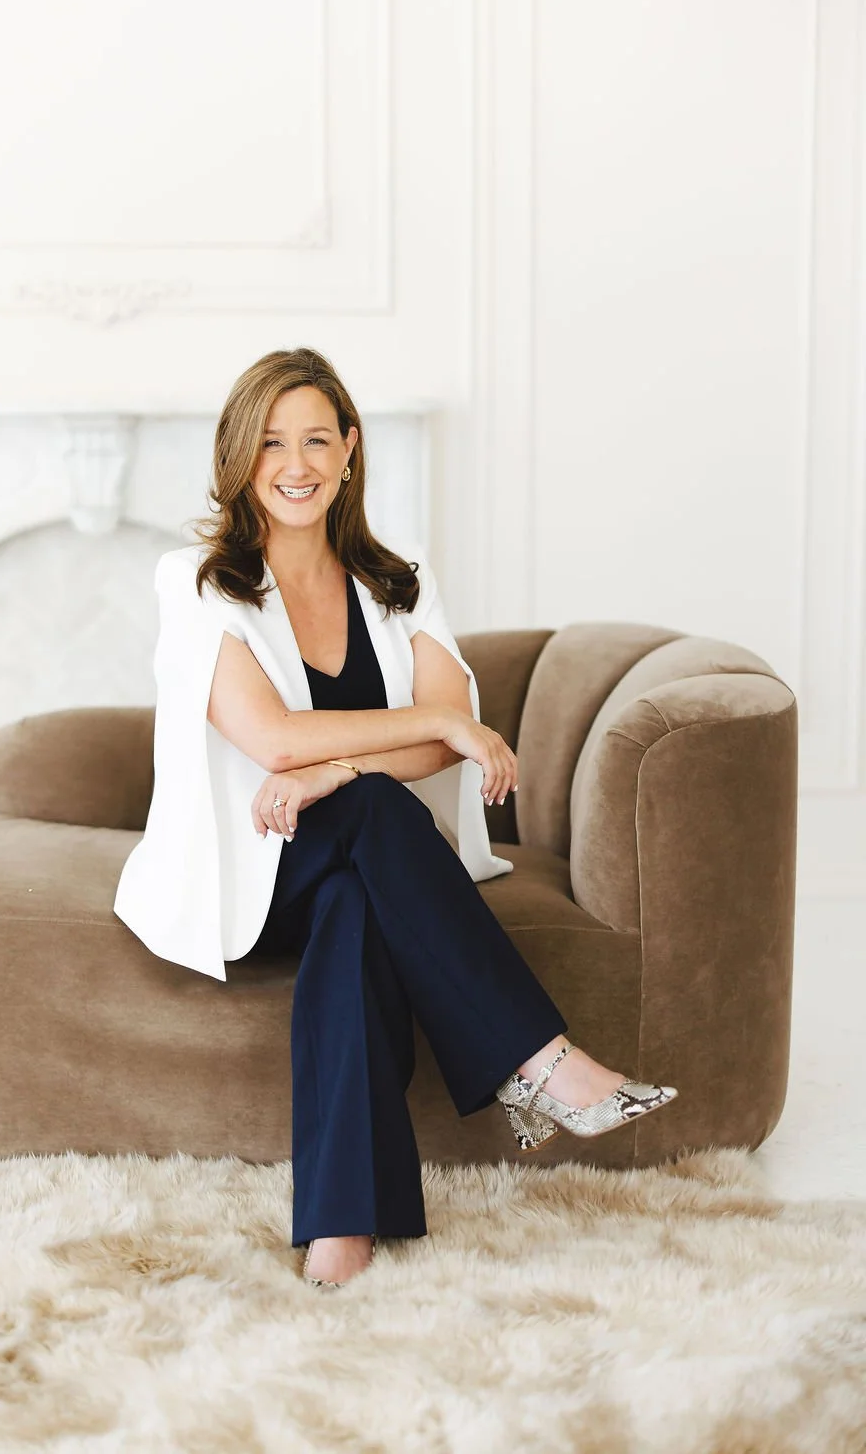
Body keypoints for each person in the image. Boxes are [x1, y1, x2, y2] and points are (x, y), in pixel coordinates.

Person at [113, 346, 678, 1290]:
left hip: (362, 863)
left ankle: (341, 1226)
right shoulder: (200, 580)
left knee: (354, 907)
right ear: (239, 457)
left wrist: (338, 766)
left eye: (316, 440)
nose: (295, 464)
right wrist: (410, 732)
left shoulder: (398, 583)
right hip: (254, 867)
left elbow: (437, 747)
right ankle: (541, 1061)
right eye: (270, 443)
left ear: (349, 449)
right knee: (371, 809)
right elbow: (277, 736)